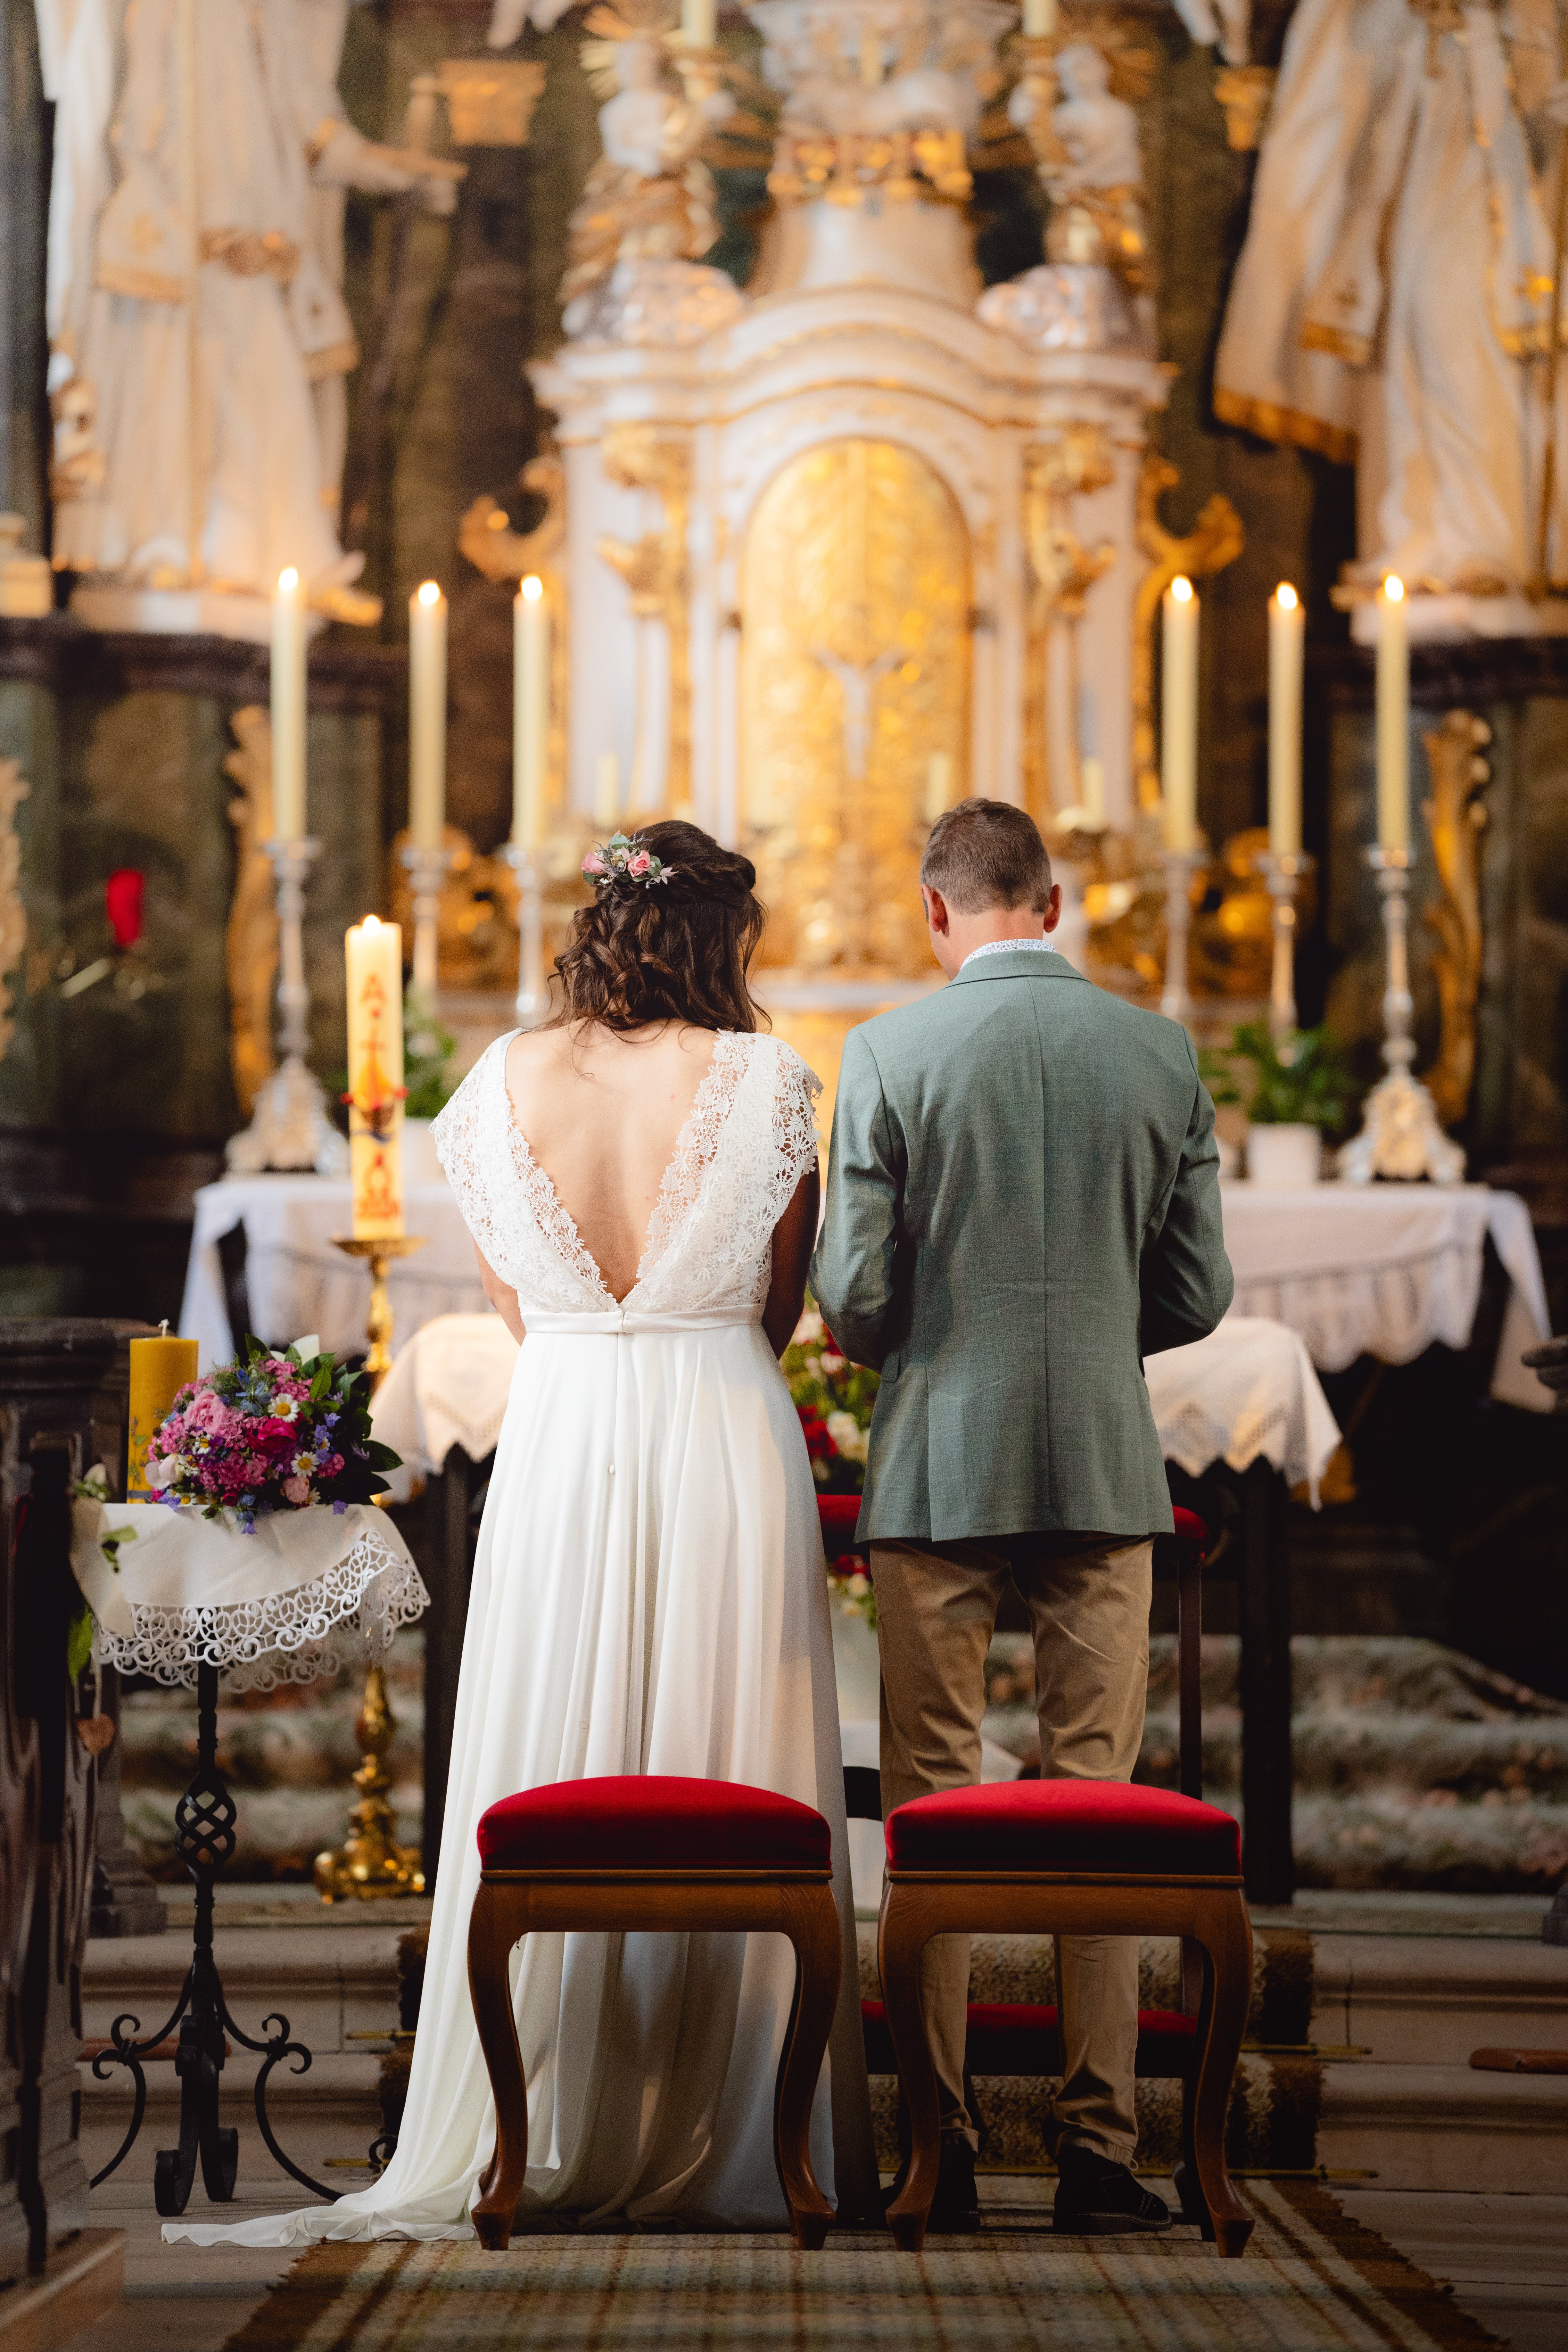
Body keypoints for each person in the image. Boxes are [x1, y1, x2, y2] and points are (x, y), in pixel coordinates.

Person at [166, 820, 877, 2247]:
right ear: (718, 938)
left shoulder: (493, 1085)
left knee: (563, 1754)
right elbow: (783, 1308)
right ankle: (741, 2123)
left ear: (596, 927)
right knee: (721, 1752)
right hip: (723, 1430)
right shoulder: (768, 1082)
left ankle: (526, 2122)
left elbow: (511, 1299)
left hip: (562, 1434)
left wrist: (596, 1335)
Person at [811, 798, 1232, 2236]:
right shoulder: (1158, 1049)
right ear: (1051, 903)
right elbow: (1198, 1294)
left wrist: (914, 1340)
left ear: (938, 913)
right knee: (1099, 1803)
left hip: (937, 1460)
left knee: (930, 1802)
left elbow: (855, 1298)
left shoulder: (886, 1052)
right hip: (1107, 1469)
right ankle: (1098, 2149)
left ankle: (934, 2150)